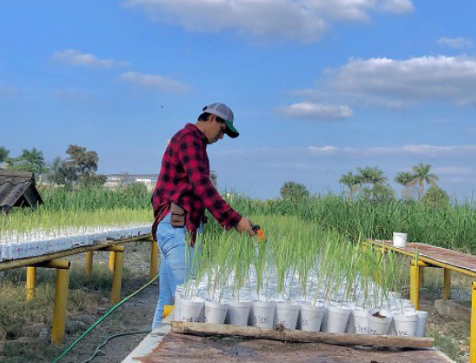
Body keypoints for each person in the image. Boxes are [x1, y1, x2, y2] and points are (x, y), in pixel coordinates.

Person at [150, 102, 256, 329]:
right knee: (189, 303)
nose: (222, 137)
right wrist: (235, 220)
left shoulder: (191, 141)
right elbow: (202, 186)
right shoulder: (190, 140)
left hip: (174, 226)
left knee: (168, 302)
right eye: (222, 130)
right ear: (212, 119)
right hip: (177, 228)